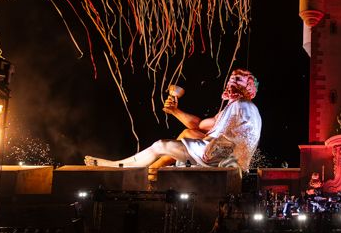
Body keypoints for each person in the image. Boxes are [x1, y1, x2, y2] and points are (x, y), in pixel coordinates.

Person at [86, 69, 262, 172]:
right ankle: (153, 168)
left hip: (219, 157)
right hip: (218, 154)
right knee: (188, 133)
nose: (231, 81)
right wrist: (175, 111)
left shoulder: (242, 106)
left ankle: (119, 166)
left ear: (249, 87)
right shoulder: (231, 108)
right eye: (231, 78)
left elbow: (236, 139)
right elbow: (199, 125)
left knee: (161, 144)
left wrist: (213, 151)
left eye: (237, 79)